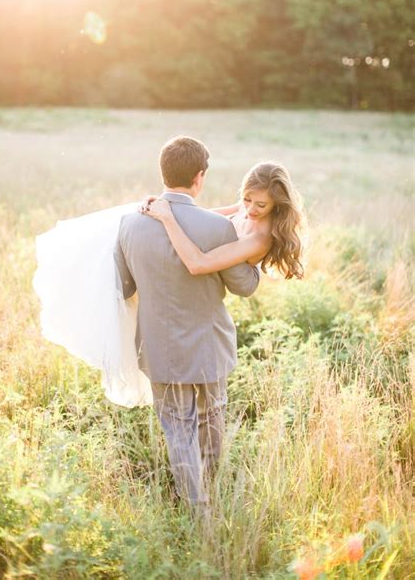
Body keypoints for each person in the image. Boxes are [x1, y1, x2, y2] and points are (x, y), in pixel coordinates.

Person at [113, 135, 260, 508]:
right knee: (212, 421)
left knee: (177, 430)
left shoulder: (129, 225)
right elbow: (244, 286)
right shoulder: (217, 228)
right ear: (200, 176)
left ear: (162, 172)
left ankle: (197, 510)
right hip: (209, 346)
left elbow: (124, 286)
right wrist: (255, 256)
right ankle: (211, 491)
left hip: (160, 349)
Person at [141, 160, 305, 281]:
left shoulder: (259, 239)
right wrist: (166, 203)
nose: (250, 209)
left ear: (276, 203)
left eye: (261, 205)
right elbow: (203, 216)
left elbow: (197, 264)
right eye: (247, 199)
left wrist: (167, 217)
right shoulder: (247, 205)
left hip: (227, 276)